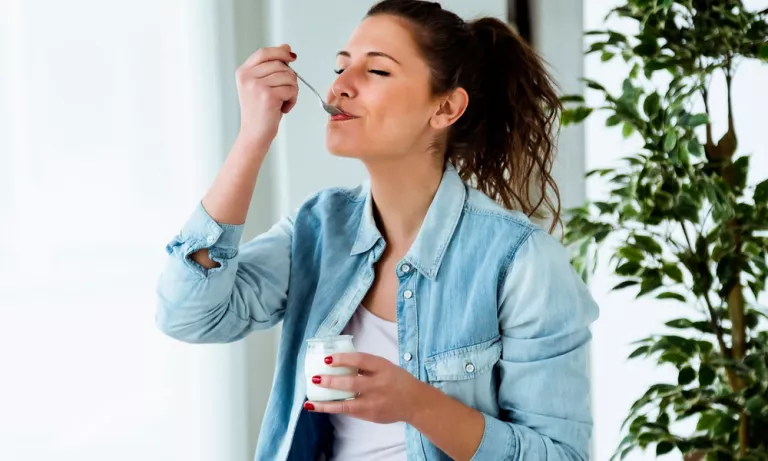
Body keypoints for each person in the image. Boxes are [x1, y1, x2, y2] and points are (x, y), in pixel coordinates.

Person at [155, 0, 599, 460]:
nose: (340, 86)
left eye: (377, 71)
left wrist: (418, 405)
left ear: (446, 107)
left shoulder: (521, 261)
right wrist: (253, 137)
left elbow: (563, 455)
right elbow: (189, 314)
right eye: (340, 67)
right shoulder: (317, 230)